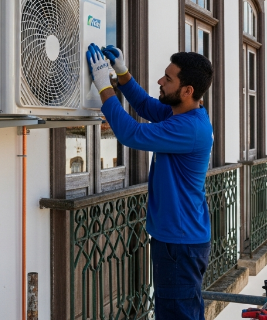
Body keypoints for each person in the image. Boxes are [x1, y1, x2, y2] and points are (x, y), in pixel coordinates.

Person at [86, 43, 214, 320]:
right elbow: (144, 105)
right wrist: (122, 73)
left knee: (176, 315)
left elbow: (130, 134)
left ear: (187, 90)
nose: (160, 81)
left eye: (168, 79)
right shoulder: (180, 113)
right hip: (180, 238)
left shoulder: (188, 128)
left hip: (179, 243)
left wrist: (103, 85)